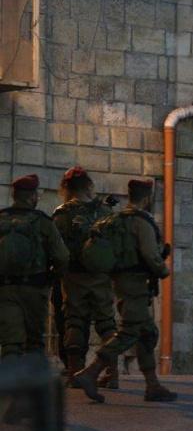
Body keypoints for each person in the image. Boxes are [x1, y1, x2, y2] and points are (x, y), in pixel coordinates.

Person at [72, 179, 177, 403]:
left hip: (120, 281)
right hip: (136, 284)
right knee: (129, 332)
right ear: (147, 198)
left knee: (147, 333)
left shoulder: (117, 219)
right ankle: (91, 372)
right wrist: (163, 270)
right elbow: (150, 254)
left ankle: (152, 385)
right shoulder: (141, 222)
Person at [52, 166, 118, 388]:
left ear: (66, 188)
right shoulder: (106, 212)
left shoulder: (63, 214)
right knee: (107, 323)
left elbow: (57, 248)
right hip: (101, 277)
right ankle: (113, 373)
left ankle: (75, 373)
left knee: (75, 322)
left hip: (74, 277)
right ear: (89, 185)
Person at [0, 174, 69, 358]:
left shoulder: (1, 218)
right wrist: (52, 277)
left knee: (10, 342)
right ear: (32, 197)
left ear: (14, 195)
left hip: (5, 289)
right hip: (35, 288)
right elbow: (62, 256)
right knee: (34, 342)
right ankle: (33, 375)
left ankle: (10, 375)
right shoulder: (43, 222)